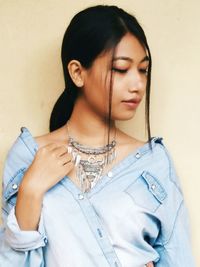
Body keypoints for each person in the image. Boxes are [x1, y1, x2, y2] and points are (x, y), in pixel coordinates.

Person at [0, 4, 196, 267]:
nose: (138, 84)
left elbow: (178, 257)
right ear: (78, 73)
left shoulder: (154, 161)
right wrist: (31, 191)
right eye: (121, 69)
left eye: (143, 70)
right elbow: (11, 261)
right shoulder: (30, 156)